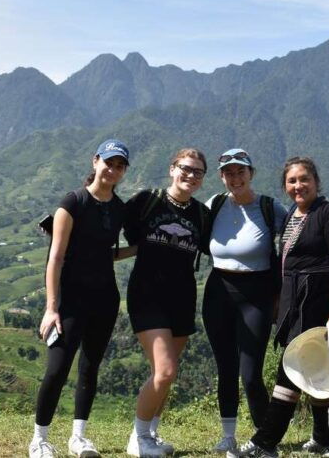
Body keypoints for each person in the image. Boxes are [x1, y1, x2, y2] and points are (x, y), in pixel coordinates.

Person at [230, 157, 329, 458]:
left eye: (304, 179)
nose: (298, 186)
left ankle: (264, 442)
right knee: (314, 369)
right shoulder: (290, 216)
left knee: (293, 371)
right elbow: (284, 264)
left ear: (316, 181)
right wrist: (278, 303)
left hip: (318, 302)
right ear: (285, 185)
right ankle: (325, 438)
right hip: (292, 303)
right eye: (292, 181)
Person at [29, 139, 135, 458]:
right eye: (109, 163)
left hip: (104, 298)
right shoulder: (73, 202)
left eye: (120, 166)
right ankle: (39, 439)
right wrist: (51, 308)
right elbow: (56, 257)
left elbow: (106, 253)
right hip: (70, 300)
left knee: (90, 368)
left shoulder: (119, 209)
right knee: (57, 369)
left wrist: (141, 249)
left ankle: (78, 437)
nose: (113, 170)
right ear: (95, 161)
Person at [123, 148, 211, 457]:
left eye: (198, 171)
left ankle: (151, 433)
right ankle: (138, 437)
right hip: (147, 295)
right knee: (165, 370)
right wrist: (66, 233)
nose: (190, 175)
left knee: (165, 375)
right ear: (172, 168)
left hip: (183, 298)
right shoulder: (147, 201)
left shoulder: (202, 214)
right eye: (185, 168)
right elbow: (108, 221)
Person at [203, 149, 288, 453]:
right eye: (229, 173)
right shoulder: (213, 205)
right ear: (221, 177)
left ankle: (264, 441)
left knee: (250, 373)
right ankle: (228, 436)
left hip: (256, 294)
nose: (235, 178)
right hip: (218, 291)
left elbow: (296, 239)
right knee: (225, 367)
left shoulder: (269, 208)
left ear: (251, 173)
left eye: (241, 172)